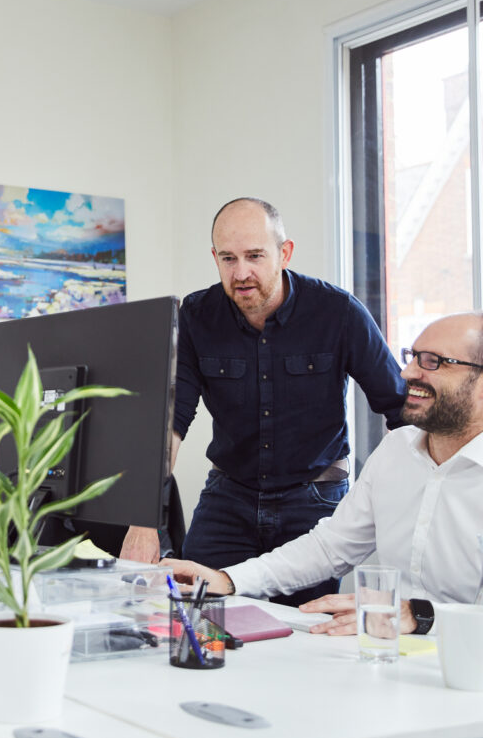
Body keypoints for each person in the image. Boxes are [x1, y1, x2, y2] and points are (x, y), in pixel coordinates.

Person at [163, 311, 483, 662]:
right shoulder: (397, 451)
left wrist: (418, 617)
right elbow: (330, 547)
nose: (407, 372)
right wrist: (227, 579)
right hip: (388, 669)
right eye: (413, 356)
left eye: (433, 362)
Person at [123, 197, 405, 607]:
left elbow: (400, 410)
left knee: (302, 628)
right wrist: (143, 519)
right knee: (194, 610)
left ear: (284, 253)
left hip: (314, 499)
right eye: (228, 258)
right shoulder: (197, 316)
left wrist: (402, 504)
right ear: (215, 258)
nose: (241, 273)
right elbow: (171, 421)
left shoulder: (339, 313)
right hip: (229, 495)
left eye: (254, 256)